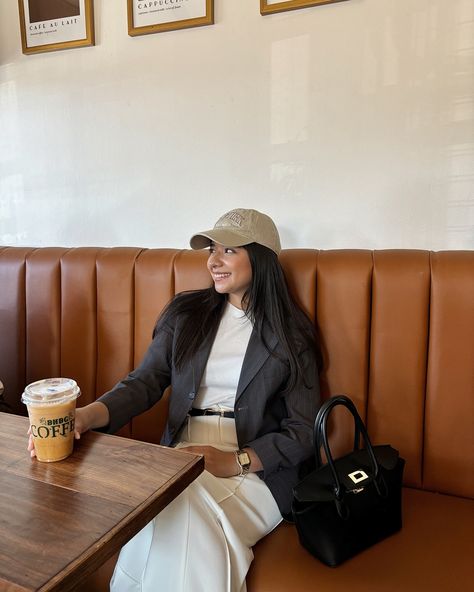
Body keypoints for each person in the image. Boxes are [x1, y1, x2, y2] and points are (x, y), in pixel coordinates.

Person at [28, 208, 321, 592]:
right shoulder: (187, 314)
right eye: (212, 250)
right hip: (182, 454)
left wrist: (236, 461)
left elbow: (303, 431)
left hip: (256, 469)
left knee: (170, 503)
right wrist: (86, 415)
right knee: (167, 498)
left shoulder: (291, 334)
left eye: (228, 251)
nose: (213, 261)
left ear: (261, 258)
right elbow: (146, 381)